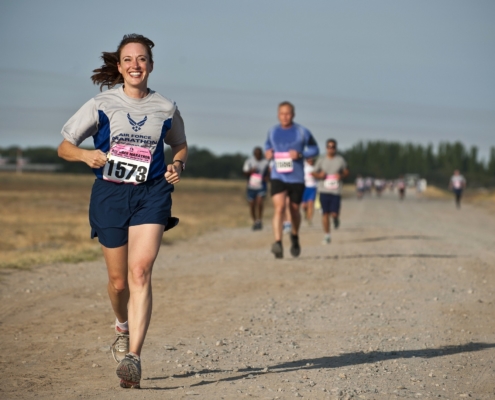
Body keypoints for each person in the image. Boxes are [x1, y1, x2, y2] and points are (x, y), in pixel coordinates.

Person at [58, 34, 188, 389]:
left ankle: (134, 357)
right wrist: (86, 155)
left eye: (142, 59)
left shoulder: (165, 107)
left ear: (151, 64)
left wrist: (178, 163)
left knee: (140, 272)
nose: (135, 65)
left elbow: (179, 143)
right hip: (110, 195)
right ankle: (122, 325)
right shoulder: (101, 103)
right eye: (128, 59)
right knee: (118, 283)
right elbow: (64, 146)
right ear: (119, 66)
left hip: (152, 193)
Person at [265, 101, 319, 258]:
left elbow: (315, 149)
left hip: (296, 177)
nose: (285, 117)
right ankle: (278, 243)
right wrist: (267, 152)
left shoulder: (302, 131)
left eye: (288, 113)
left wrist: (301, 155)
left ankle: (294, 236)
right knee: (279, 208)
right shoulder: (273, 131)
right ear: (277, 115)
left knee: (294, 210)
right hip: (278, 175)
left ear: (293, 115)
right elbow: (267, 146)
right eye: (282, 113)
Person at [312, 139, 349, 244]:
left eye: (333, 147)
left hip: (336, 191)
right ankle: (327, 235)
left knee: (334, 213)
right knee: (325, 213)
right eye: (329, 146)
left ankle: (336, 219)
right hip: (323, 190)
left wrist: (341, 175)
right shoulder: (321, 160)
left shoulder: (340, 160)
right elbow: (313, 172)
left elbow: (347, 171)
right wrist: (319, 175)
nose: (331, 149)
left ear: (335, 148)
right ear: (326, 148)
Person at [243, 147, 269, 230]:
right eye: (256, 154)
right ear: (254, 154)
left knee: (260, 202)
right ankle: (255, 221)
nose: (258, 155)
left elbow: (270, 172)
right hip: (251, 186)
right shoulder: (249, 161)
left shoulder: (265, 162)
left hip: (261, 186)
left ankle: (259, 220)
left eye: (259, 154)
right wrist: (251, 171)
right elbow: (244, 172)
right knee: (252, 205)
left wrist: (267, 177)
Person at [301, 158, 317, 225]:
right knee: (304, 206)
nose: (310, 161)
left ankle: (310, 219)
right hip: (304, 187)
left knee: (311, 204)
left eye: (312, 160)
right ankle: (305, 212)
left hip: (313, 187)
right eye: (309, 160)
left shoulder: (315, 168)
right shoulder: (304, 167)